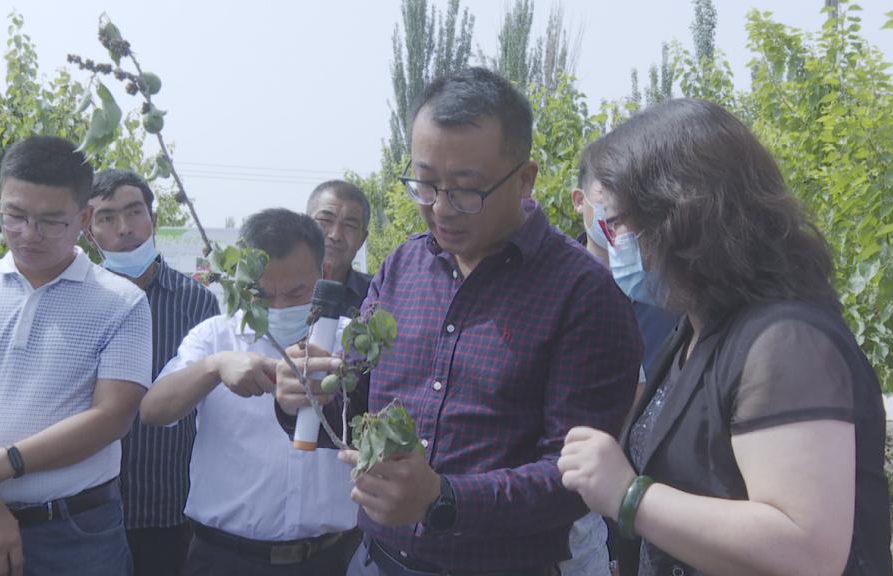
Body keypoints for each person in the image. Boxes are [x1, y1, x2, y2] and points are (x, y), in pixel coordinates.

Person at [275, 67, 643, 575]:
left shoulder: (583, 294)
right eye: (425, 185)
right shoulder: (401, 269)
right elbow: (355, 405)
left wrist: (443, 499)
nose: (441, 209)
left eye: (466, 190)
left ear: (525, 179)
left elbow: (575, 479)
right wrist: (306, 394)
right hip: (376, 562)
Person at [557, 98, 893, 576]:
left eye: (622, 225)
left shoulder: (786, 343)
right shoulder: (696, 328)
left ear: (686, 217)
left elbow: (807, 549)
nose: (616, 244)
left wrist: (630, 497)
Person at [0, 136, 152, 576]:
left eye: (51, 222)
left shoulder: (120, 302)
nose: (29, 234)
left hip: (74, 534)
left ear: (83, 218)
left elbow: (111, 416)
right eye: (15, 216)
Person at [140, 208, 358, 576]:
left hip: (331, 558)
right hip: (224, 558)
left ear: (322, 275)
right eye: (262, 294)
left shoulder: (351, 342)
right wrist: (214, 367)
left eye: (296, 292)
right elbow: (153, 410)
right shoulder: (215, 336)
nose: (279, 307)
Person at [87, 169, 219, 576]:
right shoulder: (78, 301)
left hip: (172, 505)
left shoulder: (197, 302)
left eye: (134, 212)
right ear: (88, 231)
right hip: (91, 510)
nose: (124, 228)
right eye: (106, 217)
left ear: (154, 219)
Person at [571, 138, 677, 374]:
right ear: (579, 201)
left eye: (627, 191)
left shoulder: (668, 287)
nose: (617, 204)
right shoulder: (559, 287)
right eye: (606, 190)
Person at [306, 180, 372, 312]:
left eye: (350, 226)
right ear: (305, 225)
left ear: (362, 239)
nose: (336, 235)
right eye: (325, 220)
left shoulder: (376, 294)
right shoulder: (275, 287)